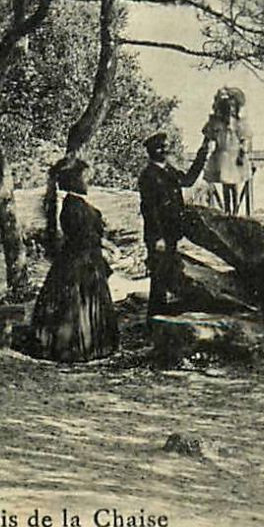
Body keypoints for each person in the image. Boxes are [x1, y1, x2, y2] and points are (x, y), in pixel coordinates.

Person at [22, 159, 118, 362]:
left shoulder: (77, 204)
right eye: (84, 177)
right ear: (73, 180)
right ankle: (76, 348)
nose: (88, 182)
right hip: (80, 262)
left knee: (81, 302)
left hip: (84, 259)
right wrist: (105, 247)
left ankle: (87, 347)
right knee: (76, 303)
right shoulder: (72, 206)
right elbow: (82, 236)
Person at [137, 130, 210, 322]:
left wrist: (203, 152)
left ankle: (161, 314)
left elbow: (188, 181)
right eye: (159, 148)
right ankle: (154, 318)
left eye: (165, 147)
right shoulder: (148, 176)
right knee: (159, 276)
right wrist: (158, 237)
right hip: (158, 234)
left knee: (165, 273)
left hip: (170, 232)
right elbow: (149, 209)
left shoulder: (168, 170)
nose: (164, 150)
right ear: (151, 151)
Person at [200, 87, 252, 211]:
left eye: (233, 107)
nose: (230, 110)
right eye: (227, 107)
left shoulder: (238, 123)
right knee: (225, 182)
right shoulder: (216, 122)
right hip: (222, 153)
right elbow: (208, 135)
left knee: (234, 183)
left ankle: (235, 209)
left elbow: (245, 139)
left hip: (234, 154)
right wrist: (205, 147)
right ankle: (227, 208)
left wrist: (242, 153)